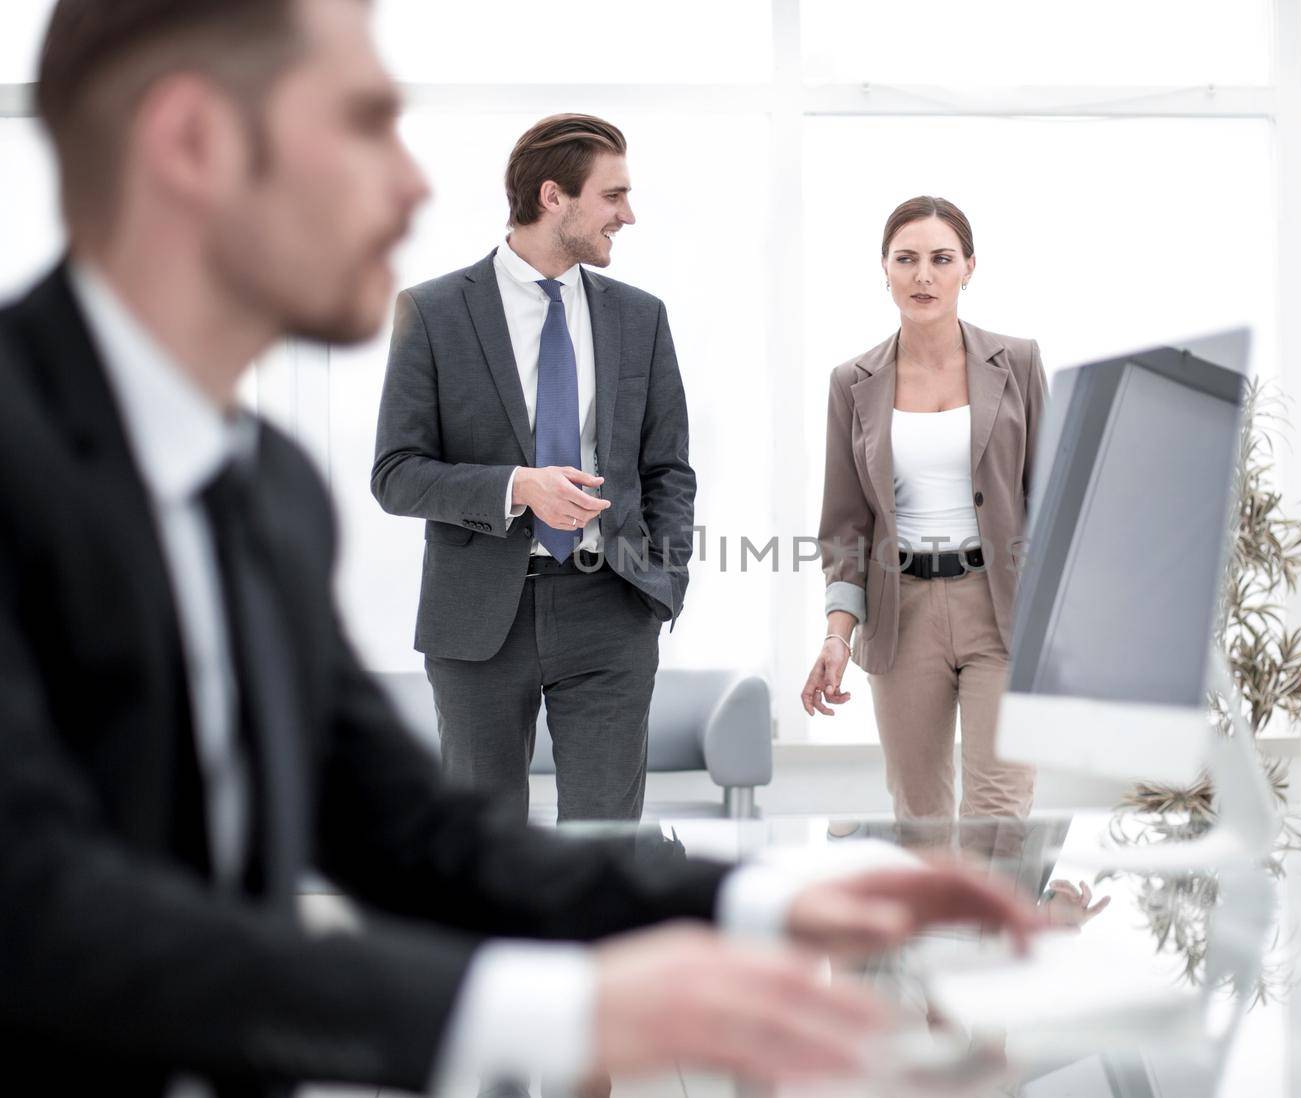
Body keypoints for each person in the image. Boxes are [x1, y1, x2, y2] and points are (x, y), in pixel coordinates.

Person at [0, 5, 1046, 1095]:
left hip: (607, 609)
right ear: (192, 142)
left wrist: (754, 901)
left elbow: (412, 834)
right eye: (364, 123)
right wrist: (555, 1009)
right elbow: (43, 910)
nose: (409, 186)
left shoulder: (266, 495)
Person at [373, 113, 688, 824]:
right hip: (478, 616)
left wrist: (663, 584)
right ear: (554, 197)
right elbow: (395, 472)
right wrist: (518, 487)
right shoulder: (433, 312)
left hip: (611, 608)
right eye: (613, 196)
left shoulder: (641, 319)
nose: (628, 215)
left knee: (605, 850)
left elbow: (669, 467)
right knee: (483, 855)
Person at [804, 196, 1047, 831]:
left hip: (1002, 608)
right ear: (883, 270)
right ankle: (933, 935)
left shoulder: (1017, 363)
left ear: (969, 267)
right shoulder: (851, 381)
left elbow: (1049, 499)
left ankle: (997, 930)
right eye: (906, 260)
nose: (923, 276)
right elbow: (845, 527)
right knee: (921, 817)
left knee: (999, 813)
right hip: (901, 609)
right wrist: (837, 634)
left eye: (941, 259)